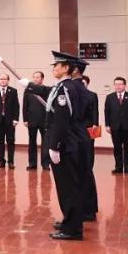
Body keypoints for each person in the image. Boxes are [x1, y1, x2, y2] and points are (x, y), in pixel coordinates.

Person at [44, 51, 87, 241]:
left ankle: (72, 229)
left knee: (68, 187)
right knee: (68, 186)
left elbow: (61, 121)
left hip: (64, 144)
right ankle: (70, 221)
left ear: (66, 68)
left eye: (57, 65)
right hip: (68, 142)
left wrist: (55, 145)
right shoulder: (66, 86)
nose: (54, 68)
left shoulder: (65, 89)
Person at [104, 76, 128, 175]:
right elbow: (107, 112)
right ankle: (118, 168)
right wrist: (107, 125)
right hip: (114, 127)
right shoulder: (110, 97)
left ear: (124, 85)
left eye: (120, 84)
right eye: (116, 84)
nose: (118, 86)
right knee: (117, 147)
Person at [77, 72, 99, 221]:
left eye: (83, 83)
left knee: (90, 150)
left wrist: (95, 127)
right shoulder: (74, 95)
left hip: (90, 127)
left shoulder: (92, 95)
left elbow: (95, 111)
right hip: (77, 131)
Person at [0, 73, 20, 169]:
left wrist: (16, 119)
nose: (2, 80)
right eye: (1, 79)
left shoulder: (13, 91)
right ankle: (1, 161)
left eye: (4, 79)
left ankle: (11, 161)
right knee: (0, 141)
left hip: (10, 121)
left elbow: (16, 106)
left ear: (8, 80)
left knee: (10, 141)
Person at [23, 71, 52, 170]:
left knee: (46, 142)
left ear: (42, 79)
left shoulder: (46, 90)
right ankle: (32, 163)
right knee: (32, 142)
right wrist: (25, 119)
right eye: (34, 77)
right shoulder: (28, 90)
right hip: (31, 120)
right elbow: (25, 105)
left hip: (45, 120)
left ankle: (45, 163)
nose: (35, 79)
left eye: (38, 77)